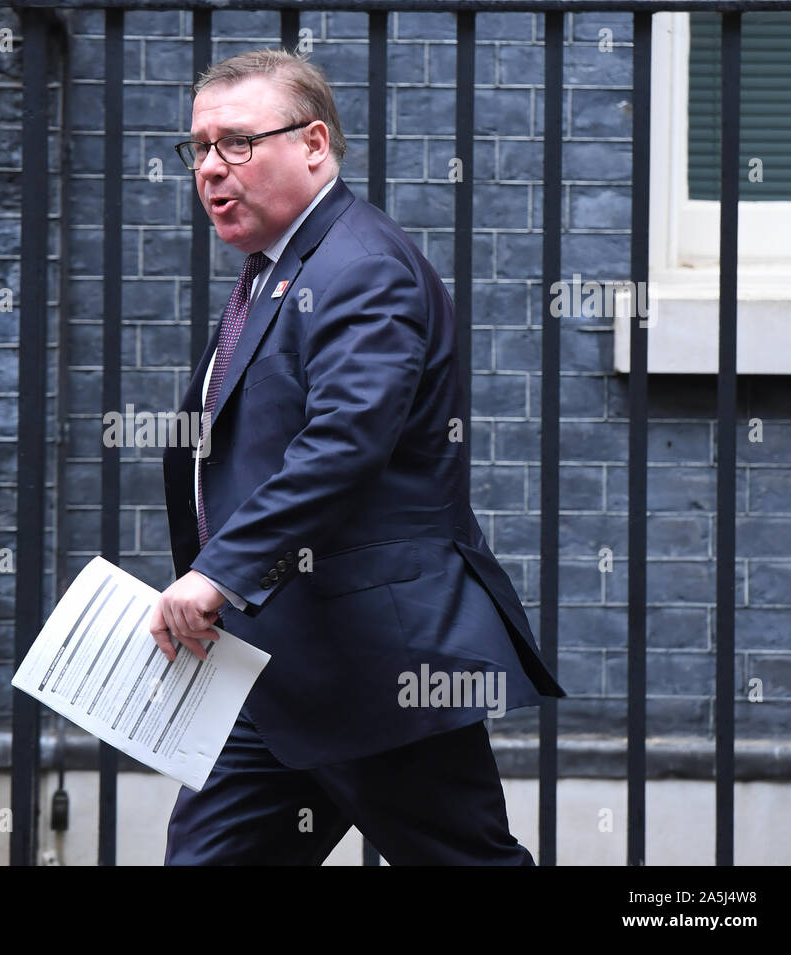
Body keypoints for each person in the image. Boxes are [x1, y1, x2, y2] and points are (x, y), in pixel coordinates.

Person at [149, 48, 566, 866]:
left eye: (237, 142)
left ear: (312, 143)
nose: (209, 169)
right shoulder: (278, 271)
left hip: (374, 664)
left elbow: (343, 444)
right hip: (278, 665)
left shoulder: (360, 267)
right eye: (197, 148)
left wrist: (216, 572)